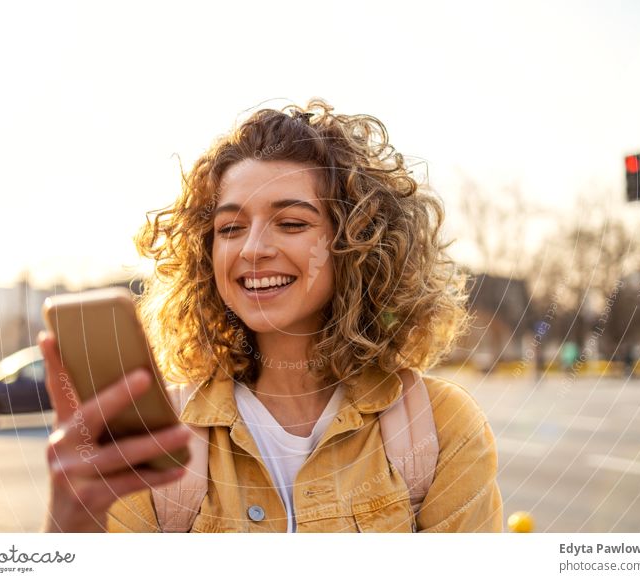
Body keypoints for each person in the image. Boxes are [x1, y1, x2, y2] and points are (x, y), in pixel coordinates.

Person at [38, 98, 503, 533]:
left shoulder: (443, 427)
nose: (253, 249)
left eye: (292, 223)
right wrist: (70, 523)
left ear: (359, 245)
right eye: (231, 228)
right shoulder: (156, 440)